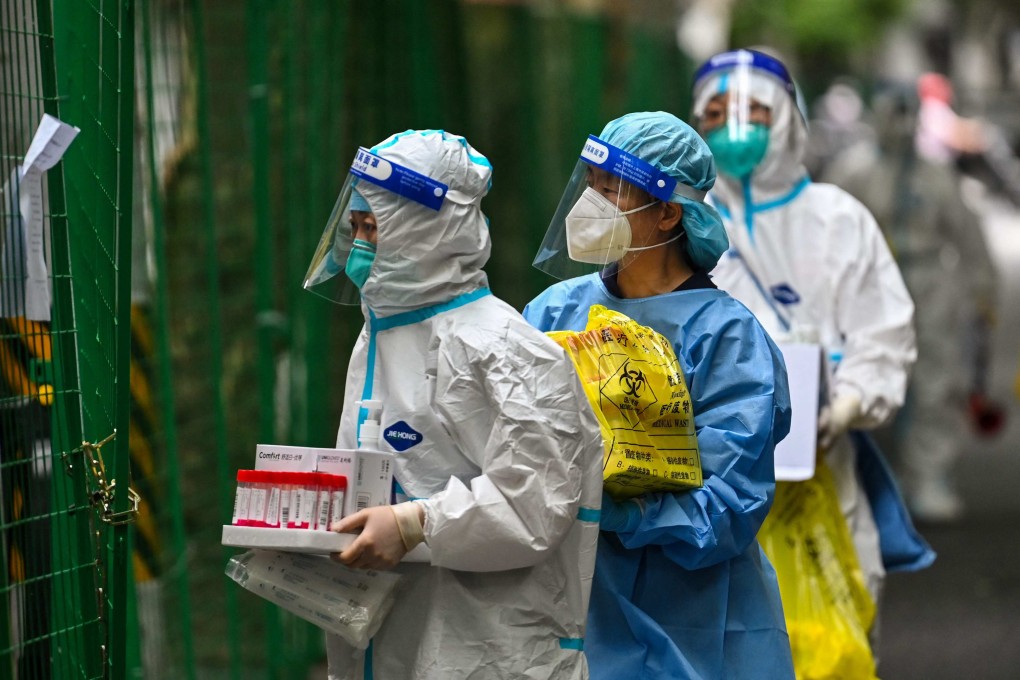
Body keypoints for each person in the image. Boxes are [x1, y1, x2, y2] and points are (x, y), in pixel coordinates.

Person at [303, 129, 604, 679]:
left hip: (492, 651)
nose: (360, 243)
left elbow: (534, 505)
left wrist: (416, 523)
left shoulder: (502, 349)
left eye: (375, 228)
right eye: (356, 227)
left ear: (427, 230)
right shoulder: (379, 337)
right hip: (392, 637)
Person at [524, 111, 796, 679]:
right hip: (572, 604)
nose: (590, 206)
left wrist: (620, 513)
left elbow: (728, 506)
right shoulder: (552, 312)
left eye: (613, 191)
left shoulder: (727, 337)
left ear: (670, 211)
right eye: (590, 187)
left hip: (694, 620)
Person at [691, 49, 931, 633]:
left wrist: (848, 402)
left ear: (787, 119)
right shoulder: (683, 224)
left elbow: (883, 335)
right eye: (716, 115)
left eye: (752, 111)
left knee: (832, 641)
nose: (734, 129)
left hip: (821, 477)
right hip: (704, 485)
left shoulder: (838, 221)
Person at [824, 80, 1000, 522]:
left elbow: (967, 232)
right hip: (866, 281)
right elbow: (823, 231)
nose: (900, 125)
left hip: (929, 281)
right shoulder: (853, 170)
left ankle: (929, 473)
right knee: (861, 375)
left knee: (935, 379)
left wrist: (984, 287)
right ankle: (869, 476)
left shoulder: (936, 174)